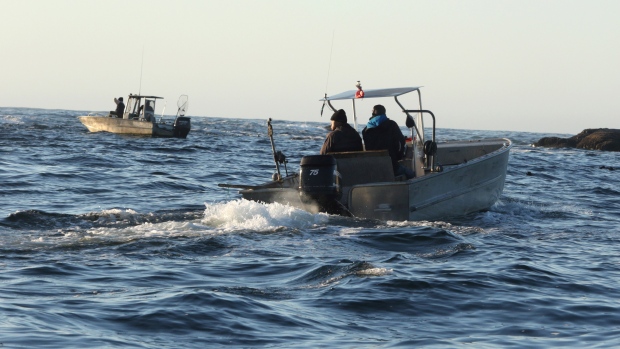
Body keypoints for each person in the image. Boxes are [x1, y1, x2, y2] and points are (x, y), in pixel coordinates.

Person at [362, 104, 415, 179]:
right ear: (384, 113)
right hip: (392, 166)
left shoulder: (365, 130)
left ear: (373, 113)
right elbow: (401, 142)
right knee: (412, 174)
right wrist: (398, 157)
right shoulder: (392, 125)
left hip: (373, 168)